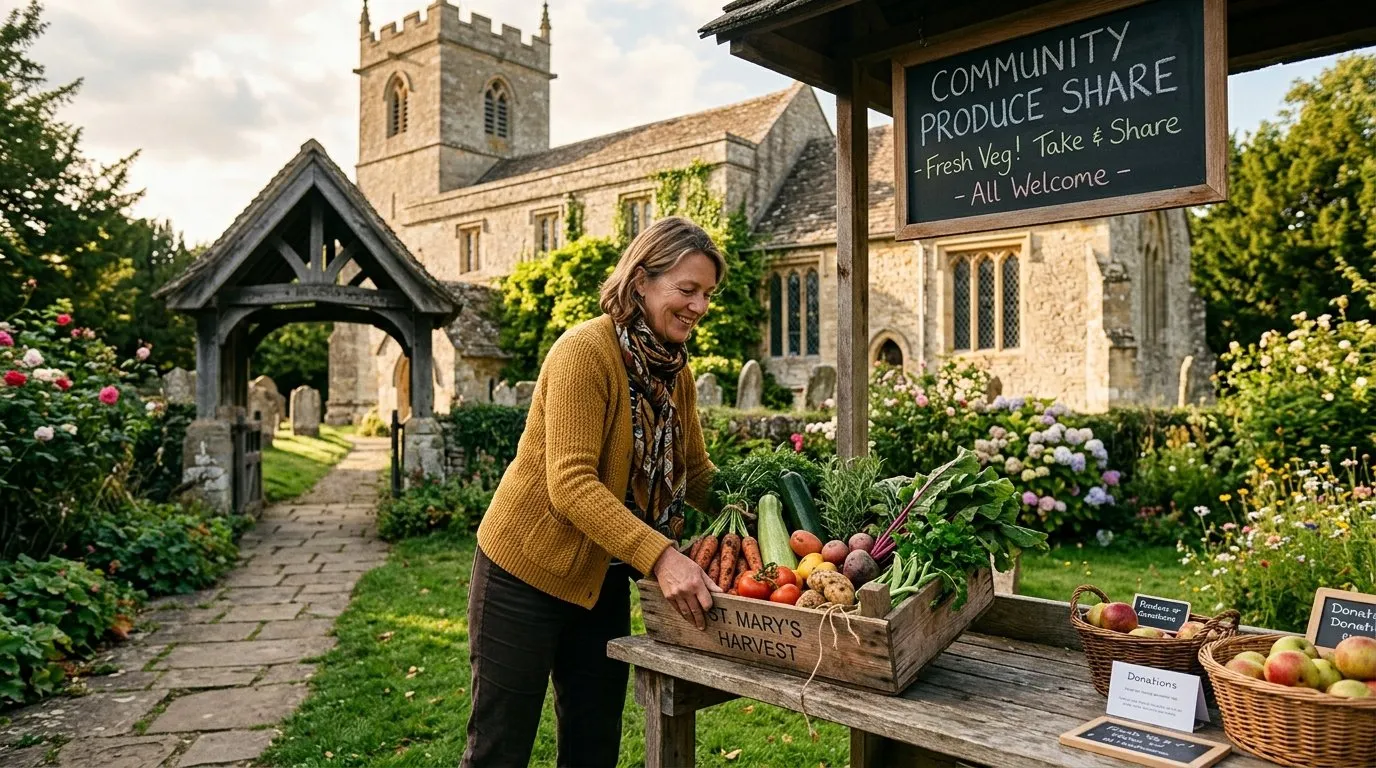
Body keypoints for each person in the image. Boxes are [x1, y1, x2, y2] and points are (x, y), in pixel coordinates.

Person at [462, 216, 726, 767]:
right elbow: (572, 485)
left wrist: (765, 505)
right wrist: (662, 556)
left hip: (599, 583)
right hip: (524, 573)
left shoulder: (674, 371)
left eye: (706, 294)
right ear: (640, 283)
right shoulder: (585, 352)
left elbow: (695, 472)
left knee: (593, 747)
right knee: (499, 749)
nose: (699, 306)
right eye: (687, 290)